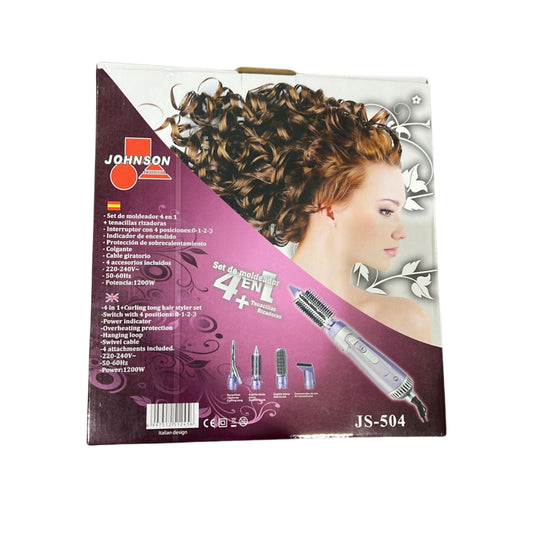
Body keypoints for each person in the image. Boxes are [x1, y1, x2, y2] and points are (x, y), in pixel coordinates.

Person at [167, 80, 431, 343]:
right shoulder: (241, 313)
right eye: (386, 211)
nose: (402, 232)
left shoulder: (400, 321)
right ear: (330, 208)